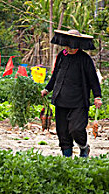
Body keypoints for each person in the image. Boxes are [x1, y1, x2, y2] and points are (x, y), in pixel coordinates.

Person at [41, 29, 102, 158]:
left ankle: (84, 147)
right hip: (61, 99)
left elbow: (93, 79)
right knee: (62, 132)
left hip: (79, 101)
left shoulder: (85, 59)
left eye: (72, 46)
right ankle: (67, 159)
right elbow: (55, 75)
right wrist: (47, 89)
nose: (70, 48)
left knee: (76, 129)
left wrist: (97, 96)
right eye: (68, 46)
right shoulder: (61, 56)